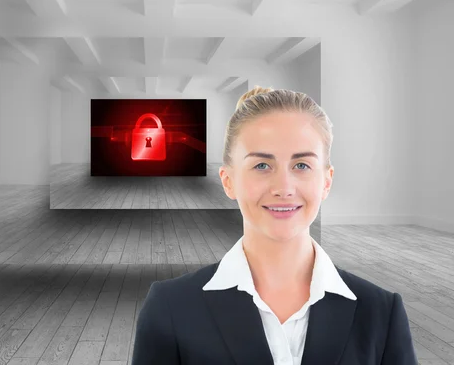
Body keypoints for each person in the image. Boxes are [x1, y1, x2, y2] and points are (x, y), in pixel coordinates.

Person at [131, 86, 417, 365]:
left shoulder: (381, 313)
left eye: (302, 165)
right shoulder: (169, 308)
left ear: (326, 181)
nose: (284, 187)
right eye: (262, 166)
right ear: (228, 180)